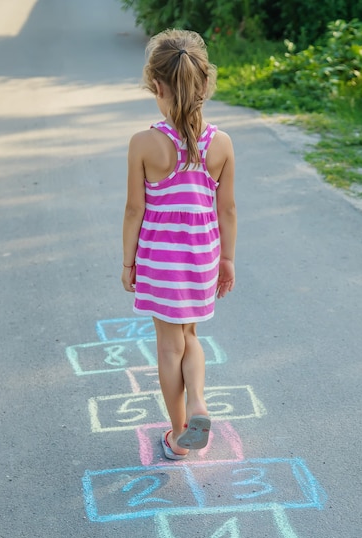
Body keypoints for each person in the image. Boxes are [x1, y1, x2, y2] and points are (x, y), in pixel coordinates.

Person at [121, 29, 237, 460]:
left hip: (161, 260)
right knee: (190, 336)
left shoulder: (144, 143)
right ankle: (201, 403)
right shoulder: (221, 143)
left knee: (169, 345)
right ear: (205, 83)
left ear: (156, 86)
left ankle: (178, 434)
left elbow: (135, 210)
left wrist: (128, 263)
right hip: (202, 255)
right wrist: (226, 259)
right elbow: (227, 211)